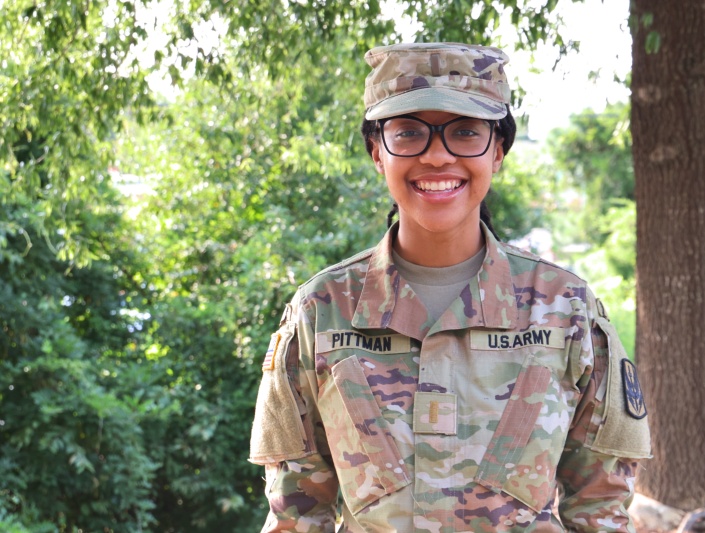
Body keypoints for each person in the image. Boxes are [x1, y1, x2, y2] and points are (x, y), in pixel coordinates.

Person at [249, 42, 651, 532]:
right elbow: (295, 514)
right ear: (378, 152)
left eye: (464, 132)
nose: (437, 156)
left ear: (498, 150)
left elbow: (601, 510)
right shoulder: (321, 311)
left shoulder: (565, 309)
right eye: (409, 133)